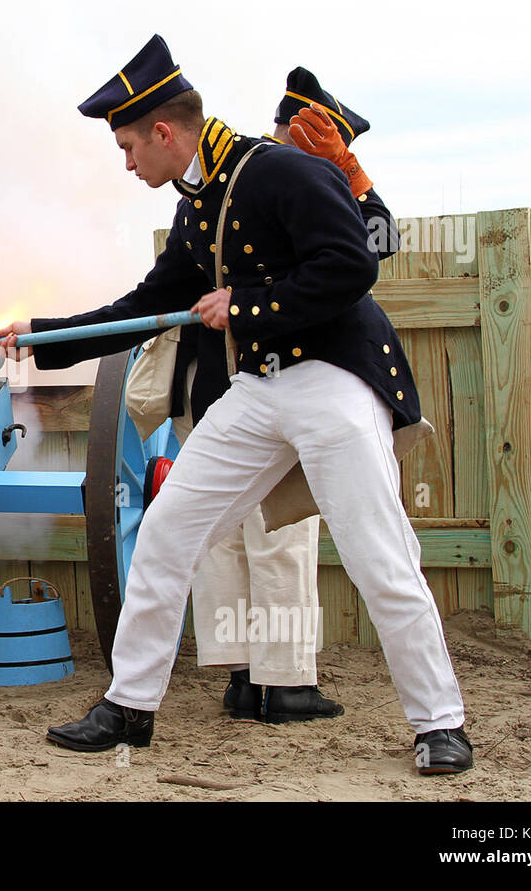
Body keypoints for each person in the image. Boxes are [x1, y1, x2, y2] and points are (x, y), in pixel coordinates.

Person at [0, 35, 471, 774]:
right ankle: (129, 708)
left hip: (334, 378)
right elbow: (150, 303)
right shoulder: (200, 204)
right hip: (258, 389)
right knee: (166, 532)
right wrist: (41, 338)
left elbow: (352, 265)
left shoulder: (280, 170)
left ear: (162, 131)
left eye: (126, 147)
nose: (125, 164)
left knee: (380, 556)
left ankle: (440, 724)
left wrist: (247, 306)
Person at [189, 68, 399, 723]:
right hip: (284, 376)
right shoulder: (305, 185)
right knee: (284, 530)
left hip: (216, 380)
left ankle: (242, 678)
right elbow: (379, 243)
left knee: (225, 528)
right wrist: (355, 179)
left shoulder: (233, 181)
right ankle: (285, 686)